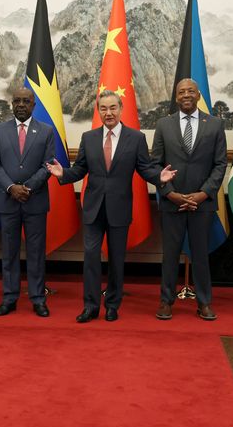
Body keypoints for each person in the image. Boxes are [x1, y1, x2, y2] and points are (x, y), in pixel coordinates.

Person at [46, 90, 176, 323]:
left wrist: (160, 177)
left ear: (120, 108)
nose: (108, 113)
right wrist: (63, 174)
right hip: (93, 208)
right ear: (98, 110)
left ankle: (113, 304)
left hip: (119, 208)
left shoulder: (135, 138)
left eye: (112, 107)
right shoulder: (89, 137)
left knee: (117, 259)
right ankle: (90, 306)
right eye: (103, 108)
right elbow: (80, 170)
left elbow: (145, 168)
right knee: (91, 257)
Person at [151, 78, 227, 321]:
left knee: (201, 256)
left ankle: (204, 302)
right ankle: (166, 301)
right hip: (172, 201)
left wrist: (203, 193)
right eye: (181, 91)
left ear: (198, 96)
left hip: (202, 203)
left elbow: (219, 164)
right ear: (176, 97)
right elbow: (156, 164)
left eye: (190, 91)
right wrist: (170, 193)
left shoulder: (215, 124)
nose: (186, 95)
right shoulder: (164, 124)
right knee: (170, 255)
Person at [0, 87, 54, 317]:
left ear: (33, 105)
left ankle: (38, 298)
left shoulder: (46, 131)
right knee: (9, 252)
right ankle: (9, 297)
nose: (21, 105)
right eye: (17, 101)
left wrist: (27, 187)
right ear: (11, 103)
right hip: (7, 201)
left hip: (34, 200)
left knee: (36, 252)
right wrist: (11, 188)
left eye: (26, 101)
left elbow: (48, 165)